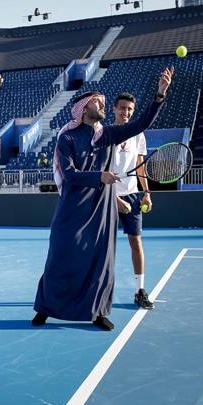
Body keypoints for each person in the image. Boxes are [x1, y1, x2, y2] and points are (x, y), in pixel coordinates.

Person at [32, 67, 174, 330]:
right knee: (60, 257)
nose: (103, 106)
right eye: (98, 102)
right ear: (83, 108)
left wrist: (159, 95)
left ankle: (97, 312)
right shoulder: (67, 138)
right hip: (71, 209)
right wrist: (100, 177)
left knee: (100, 262)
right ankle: (46, 308)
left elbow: (141, 123)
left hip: (101, 209)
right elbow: (71, 174)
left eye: (103, 102)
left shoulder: (108, 134)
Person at [110, 93, 154, 310]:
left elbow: (140, 165)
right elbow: (101, 170)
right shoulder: (106, 134)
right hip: (108, 197)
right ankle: (98, 291)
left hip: (133, 195)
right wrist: (115, 198)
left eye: (129, 109)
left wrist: (146, 192)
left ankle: (139, 291)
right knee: (104, 246)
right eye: (122, 108)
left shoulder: (138, 134)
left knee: (136, 243)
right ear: (114, 109)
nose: (125, 112)